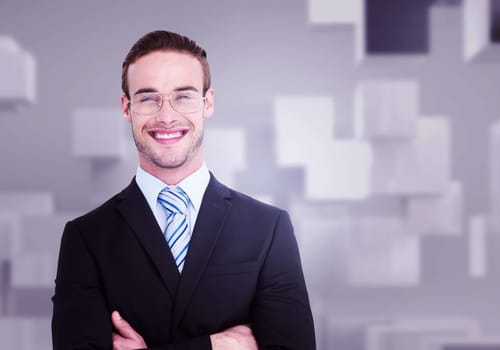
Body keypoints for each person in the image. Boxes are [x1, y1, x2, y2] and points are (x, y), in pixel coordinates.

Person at [52, 30, 316, 350]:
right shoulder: (86, 238)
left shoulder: (268, 228)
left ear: (208, 103)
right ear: (126, 107)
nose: (166, 116)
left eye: (183, 96)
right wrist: (220, 345)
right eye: (148, 97)